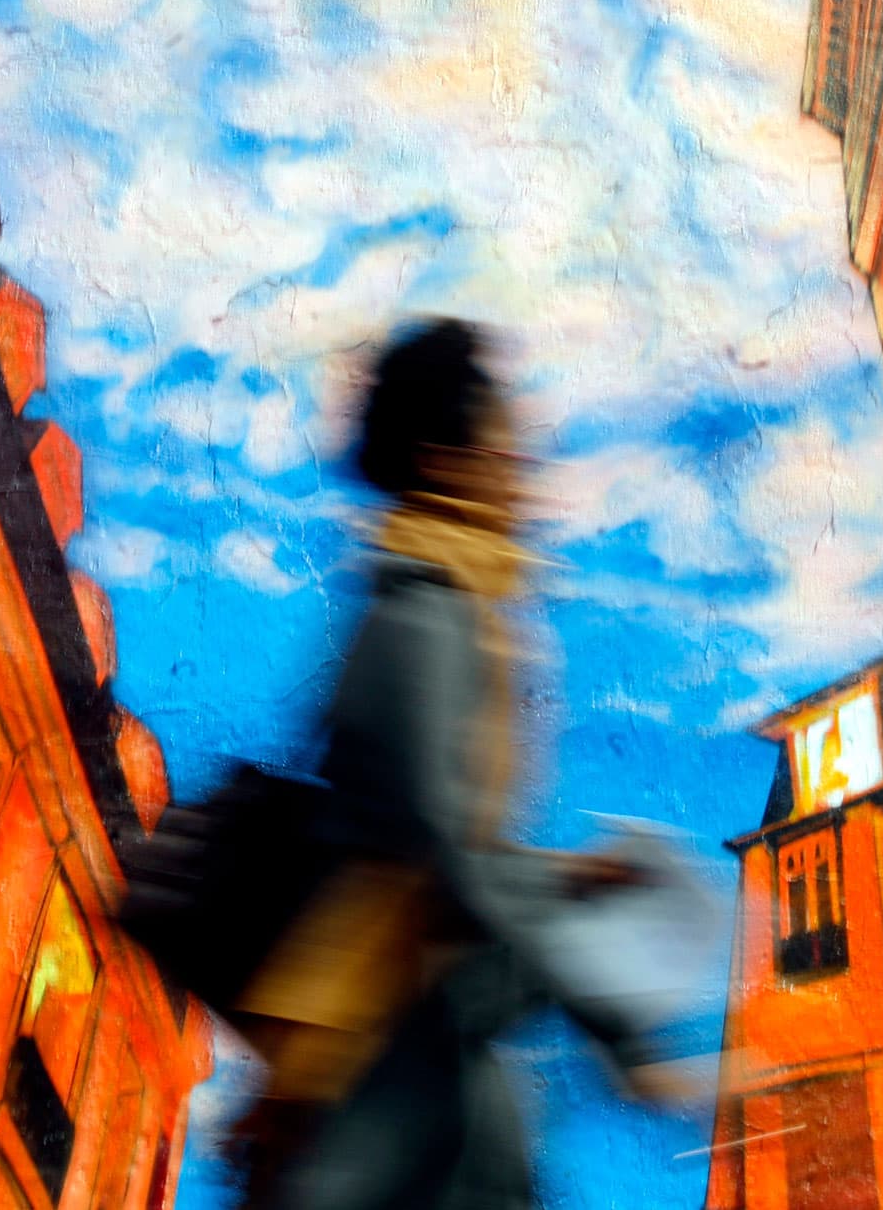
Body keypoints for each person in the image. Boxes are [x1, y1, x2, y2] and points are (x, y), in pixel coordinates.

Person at [228, 317, 686, 1210]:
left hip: (420, 1066)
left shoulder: (453, 613)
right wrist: (619, 1032)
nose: (523, 470)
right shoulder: (424, 620)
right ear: (443, 461)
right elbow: (441, 865)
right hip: (385, 1079)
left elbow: (433, 843)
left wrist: (564, 878)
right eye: (505, 445)